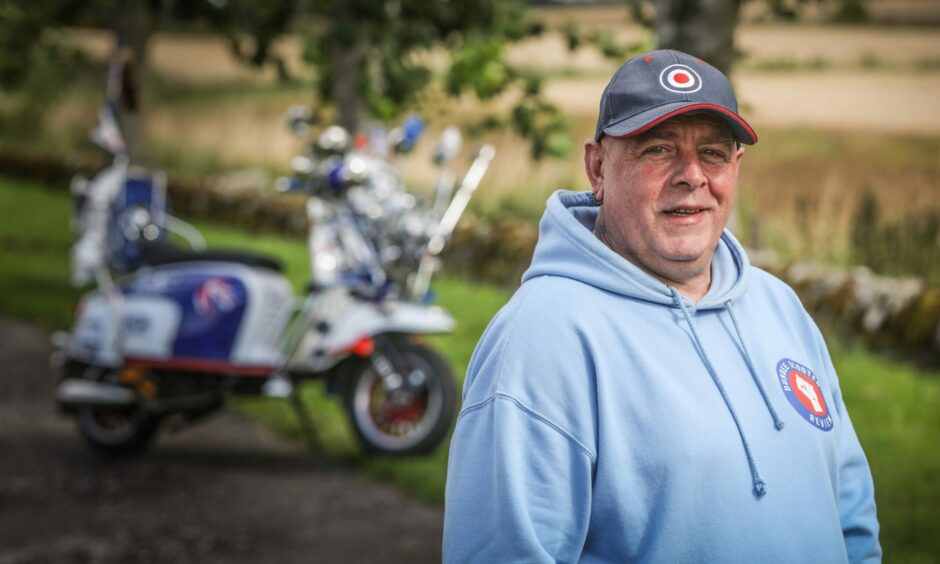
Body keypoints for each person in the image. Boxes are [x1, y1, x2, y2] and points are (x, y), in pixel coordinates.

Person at [443, 49, 881, 563]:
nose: (692, 175)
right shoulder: (542, 340)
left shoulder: (778, 305)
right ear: (597, 167)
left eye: (714, 153)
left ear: (735, 167)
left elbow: (850, 516)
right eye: (657, 149)